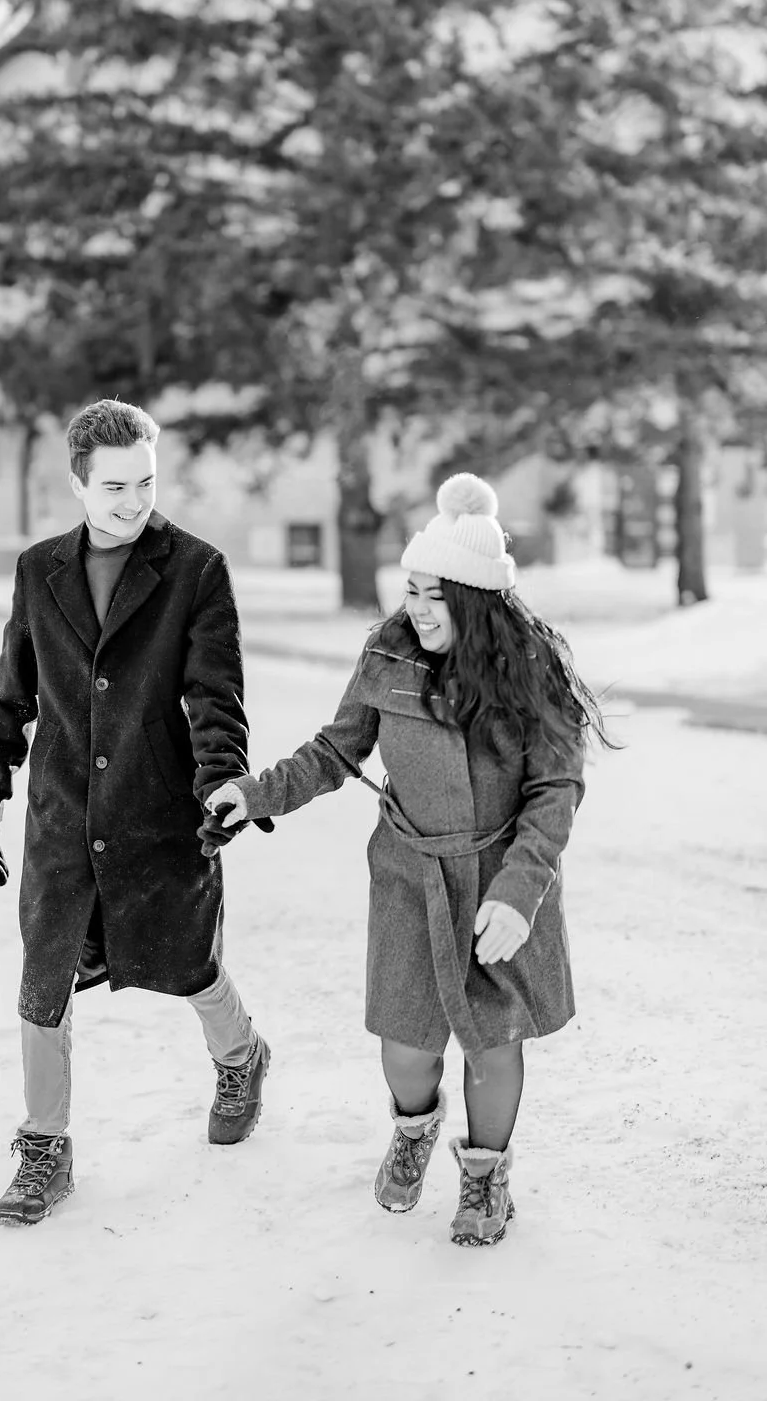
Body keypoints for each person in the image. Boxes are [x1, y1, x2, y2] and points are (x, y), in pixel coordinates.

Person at [205, 473, 615, 1247]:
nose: (419, 609)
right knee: (407, 1046)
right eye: (413, 590)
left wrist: (520, 891)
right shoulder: (388, 654)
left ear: (477, 599)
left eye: (436, 595)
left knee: (493, 1042)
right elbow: (335, 751)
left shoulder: (531, 671)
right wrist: (255, 795)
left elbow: (556, 788)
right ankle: (414, 1127)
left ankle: (486, 1177)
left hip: (497, 879)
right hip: (409, 875)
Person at [0, 398, 272, 1226]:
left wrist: (222, 782)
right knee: (45, 977)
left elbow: (215, 696)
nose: (134, 502)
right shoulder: (39, 571)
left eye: (146, 482)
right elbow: (11, 694)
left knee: (186, 957)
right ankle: (45, 1145)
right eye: (114, 487)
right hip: (63, 813)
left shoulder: (196, 569)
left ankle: (242, 1055)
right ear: (77, 484)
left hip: (157, 807)